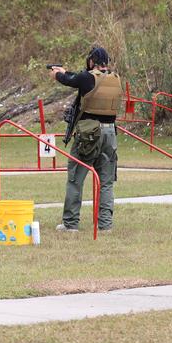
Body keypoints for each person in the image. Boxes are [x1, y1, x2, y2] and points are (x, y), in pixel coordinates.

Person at [51, 46, 122, 233]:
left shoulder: (86, 78)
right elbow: (82, 78)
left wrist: (58, 74)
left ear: (91, 61)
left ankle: (70, 223)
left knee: (76, 179)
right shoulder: (115, 79)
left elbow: (71, 80)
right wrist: (66, 72)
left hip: (88, 134)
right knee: (106, 182)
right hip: (110, 134)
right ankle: (105, 224)